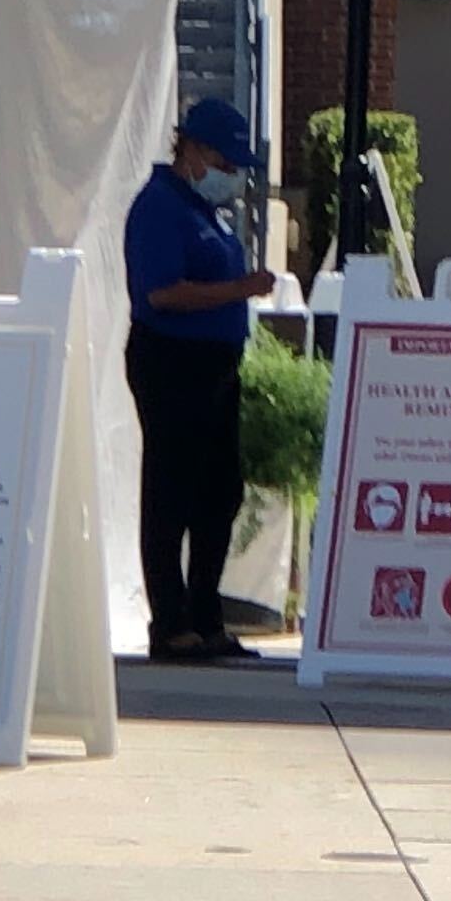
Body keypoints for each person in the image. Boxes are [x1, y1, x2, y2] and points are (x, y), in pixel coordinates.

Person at [124, 95, 278, 663]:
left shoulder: (205, 212)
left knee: (219, 492)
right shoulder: (159, 206)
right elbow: (161, 292)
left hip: (213, 363)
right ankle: (171, 622)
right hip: (171, 360)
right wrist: (240, 290)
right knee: (171, 493)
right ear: (191, 150)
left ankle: (207, 615)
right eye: (225, 163)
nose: (232, 177)